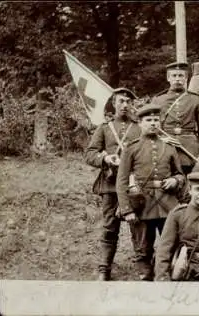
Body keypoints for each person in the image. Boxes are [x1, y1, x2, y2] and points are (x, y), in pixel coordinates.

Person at [116, 102, 185, 281]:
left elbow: (180, 175)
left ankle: (164, 277)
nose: (153, 123)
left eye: (156, 120)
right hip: (141, 205)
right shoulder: (131, 148)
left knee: (169, 244)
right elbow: (122, 181)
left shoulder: (169, 147)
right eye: (148, 120)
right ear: (140, 123)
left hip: (167, 204)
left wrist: (174, 180)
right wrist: (126, 210)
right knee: (142, 248)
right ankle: (145, 280)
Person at [85, 87, 142, 281]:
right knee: (110, 227)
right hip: (110, 185)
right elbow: (90, 154)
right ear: (113, 103)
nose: (125, 105)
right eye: (121, 101)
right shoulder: (104, 128)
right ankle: (104, 269)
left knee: (138, 226)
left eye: (128, 101)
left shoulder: (139, 127)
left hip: (133, 186)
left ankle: (143, 268)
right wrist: (106, 158)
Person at [152, 61, 199, 174]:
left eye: (181, 75)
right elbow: (152, 128)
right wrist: (161, 140)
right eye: (174, 75)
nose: (177, 79)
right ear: (168, 78)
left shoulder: (195, 100)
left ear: (186, 78)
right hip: (165, 146)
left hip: (189, 150)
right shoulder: (158, 100)